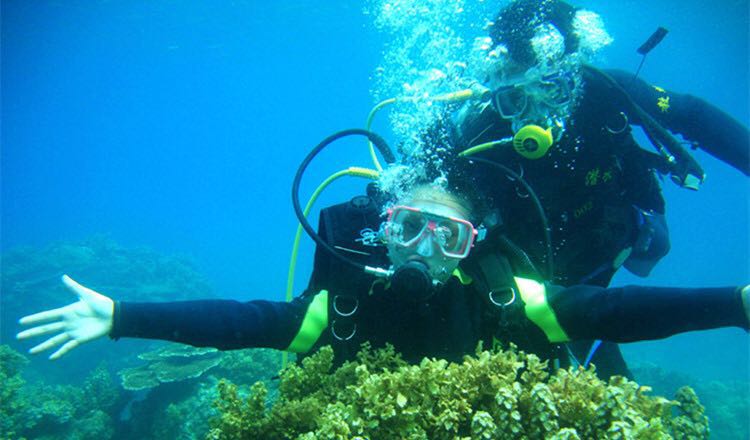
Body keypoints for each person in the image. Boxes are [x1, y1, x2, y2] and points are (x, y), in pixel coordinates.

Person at [16, 182, 750, 371]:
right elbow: (247, 322)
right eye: (408, 229)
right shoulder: (343, 301)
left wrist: (737, 303)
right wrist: (121, 317)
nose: (426, 251)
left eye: (450, 236)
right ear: (382, 232)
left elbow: (615, 311)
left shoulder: (504, 294)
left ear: (472, 244)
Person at [443, 0, 750, 377]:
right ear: (497, 83)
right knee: (574, 355)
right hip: (536, 266)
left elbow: (691, 114)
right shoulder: (476, 128)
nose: (532, 115)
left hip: (615, 236)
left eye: (552, 90)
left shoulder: (605, 91)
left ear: (572, 71)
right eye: (515, 99)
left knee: (649, 254)